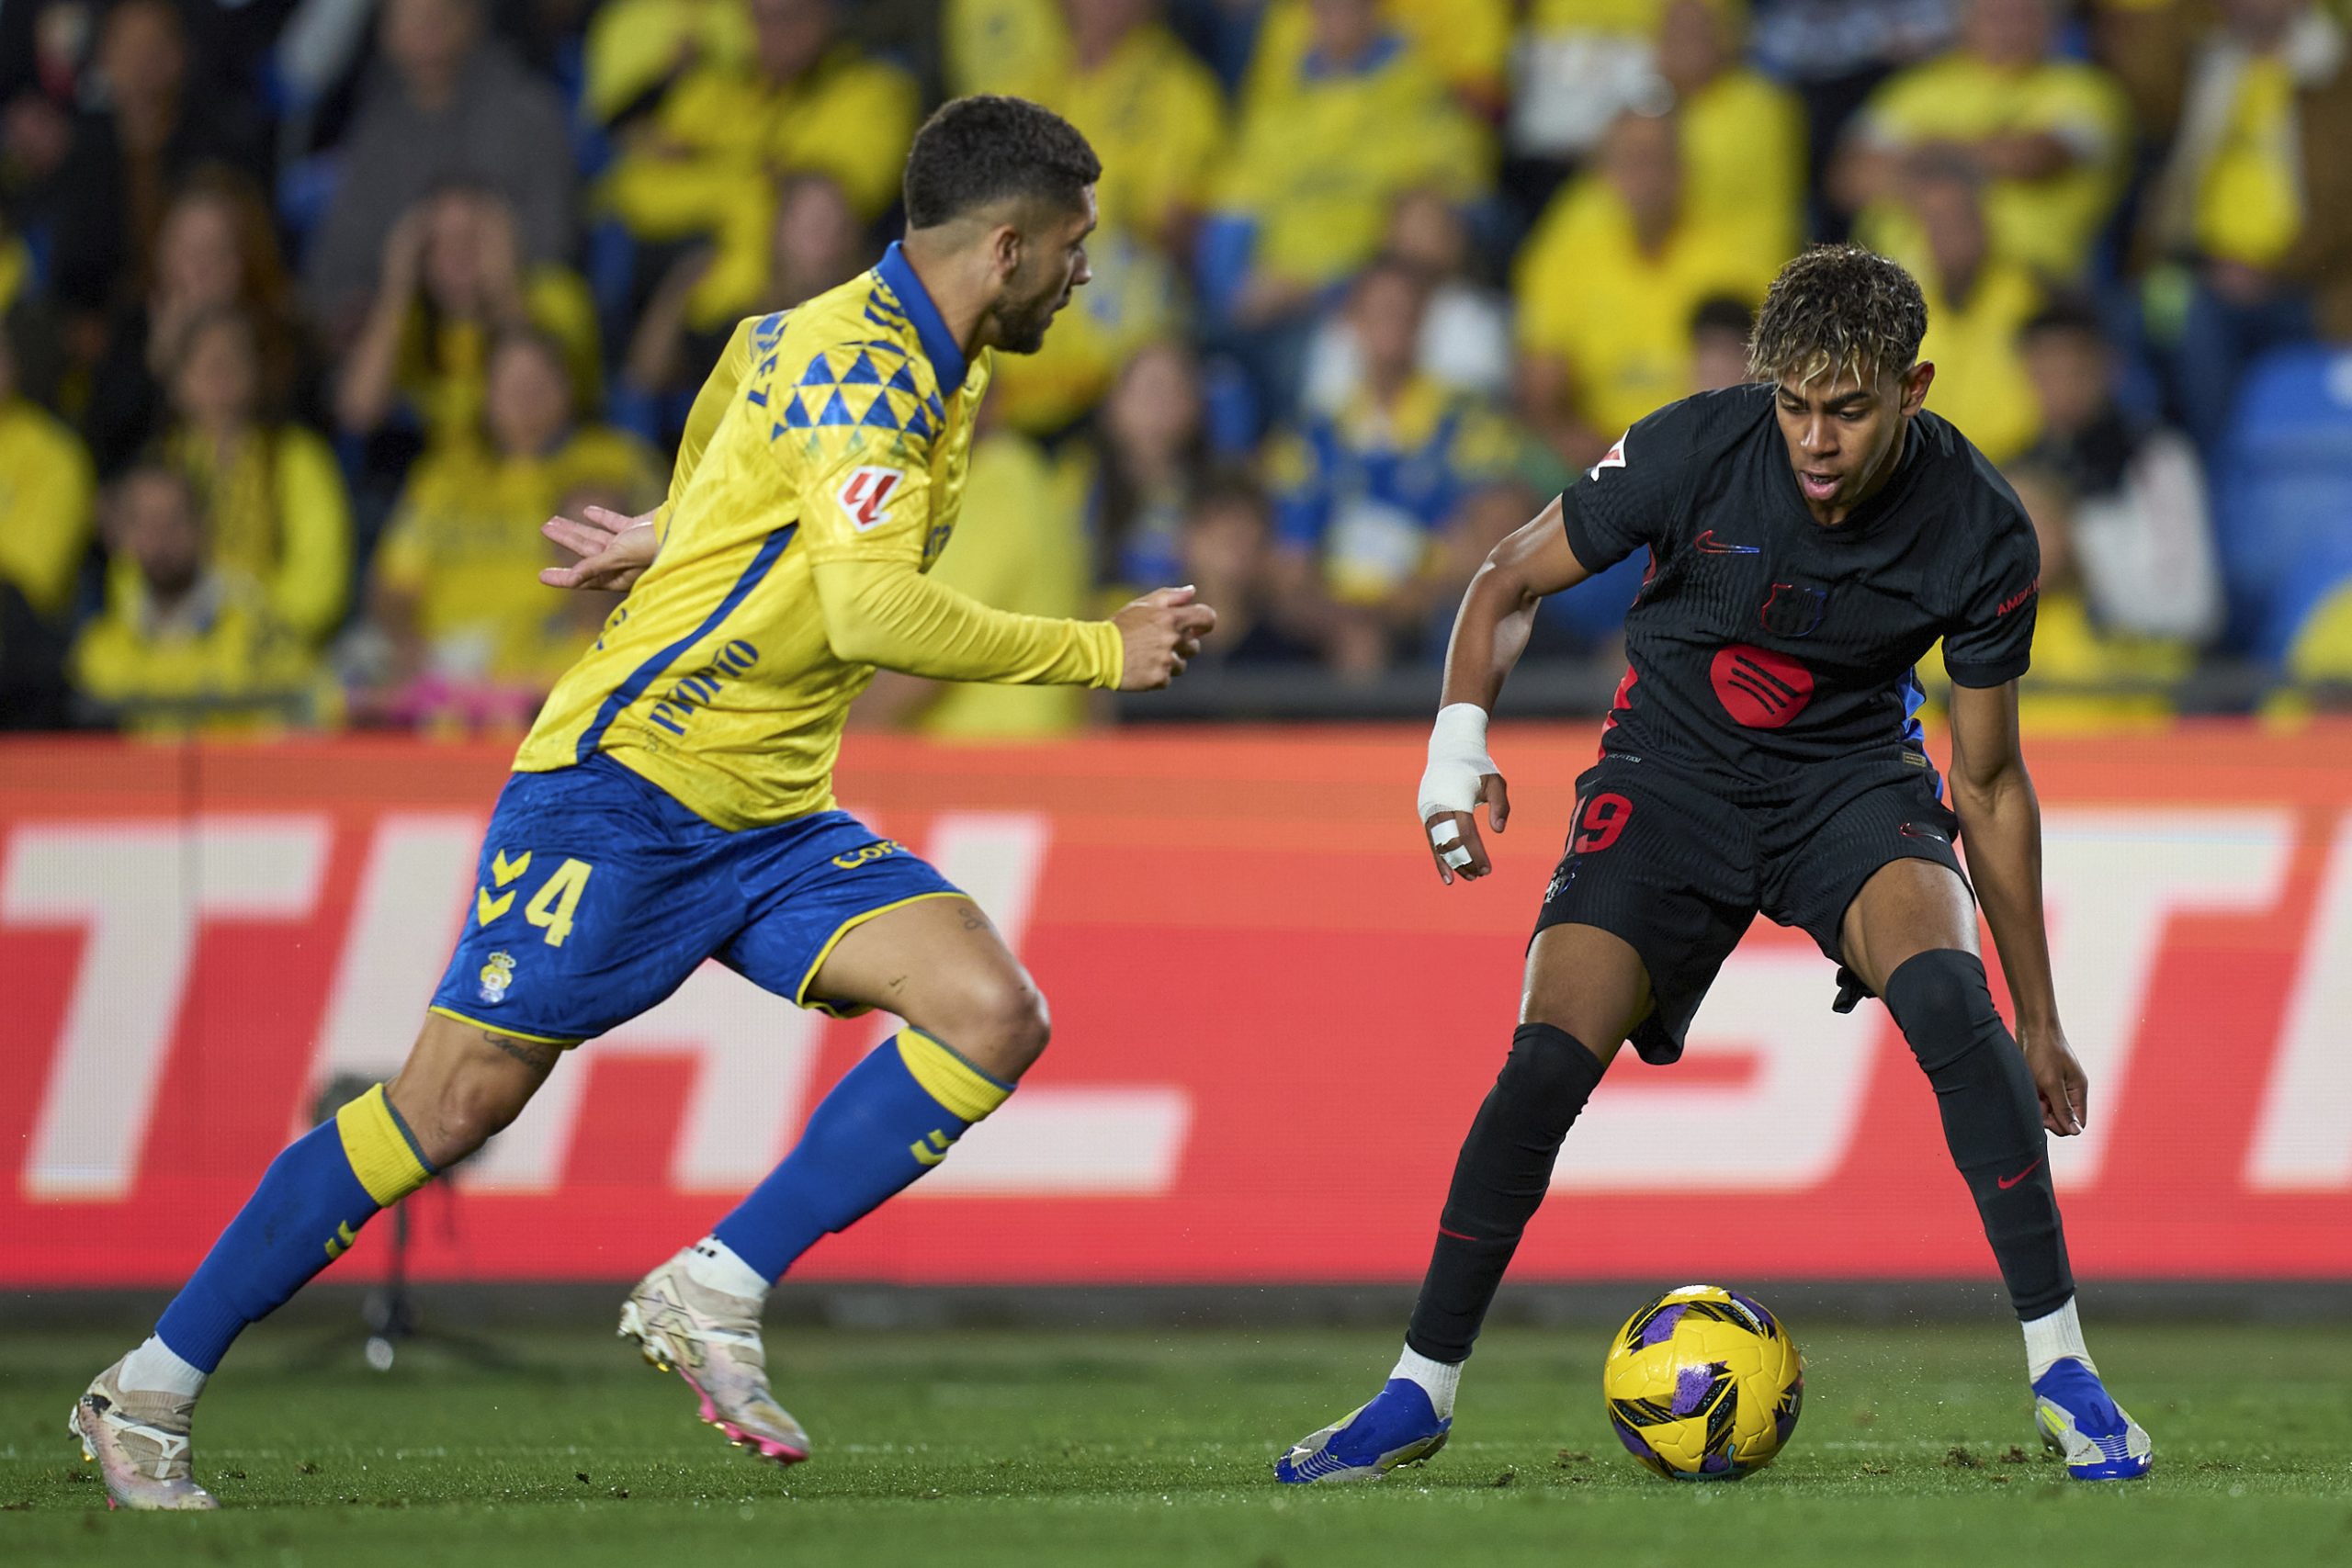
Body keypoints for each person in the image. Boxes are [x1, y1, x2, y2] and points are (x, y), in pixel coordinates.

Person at [71, 93, 1216, 1512]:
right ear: (1003, 246)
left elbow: (742, 428)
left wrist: (676, 535)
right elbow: (865, 603)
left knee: (993, 1008)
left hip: (772, 810)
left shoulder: (831, 334)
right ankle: (150, 1385)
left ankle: (714, 1283)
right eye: (1074, 244)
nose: (1085, 269)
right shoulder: (878, 375)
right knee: (446, 1102)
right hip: (622, 789)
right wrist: (1097, 649)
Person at [1274, 243, 2153, 1486]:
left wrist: (2043, 1014)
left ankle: (2066, 1368)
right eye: (1795, 405)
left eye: (1848, 408)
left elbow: (1991, 779)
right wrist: (1453, 749)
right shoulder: (1693, 445)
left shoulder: (1984, 528)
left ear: (1916, 387)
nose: (1816, 439)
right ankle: (1417, 1388)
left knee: (1959, 1005)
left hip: (1846, 783)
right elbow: (1508, 577)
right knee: (1540, 1062)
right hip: (1668, 775)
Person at [361, 329, 655, 725]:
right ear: (486, 393)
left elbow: (667, 550)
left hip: (556, 654)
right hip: (442, 657)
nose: (525, 397)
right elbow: (391, 587)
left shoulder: (613, 459)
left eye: (539, 381)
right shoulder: (443, 476)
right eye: (511, 383)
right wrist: (408, 646)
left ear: (568, 386)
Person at [301, 0, 576, 334]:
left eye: (439, 17)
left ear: (474, 20)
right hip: (406, 331)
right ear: (386, 33)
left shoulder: (530, 111)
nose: (426, 34)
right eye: (411, 20)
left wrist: (476, 267)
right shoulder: (375, 130)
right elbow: (339, 262)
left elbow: (556, 238)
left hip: (513, 316)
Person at [1832, 0, 2130, 280]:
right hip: (1897, 292)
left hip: (2032, 300)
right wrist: (1983, 158)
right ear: (1964, 21)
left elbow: (2033, 158)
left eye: (2022, 15)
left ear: (2052, 24)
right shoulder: (1913, 89)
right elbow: (1850, 178)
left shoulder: (2088, 91)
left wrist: (1923, 154)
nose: (2007, 28)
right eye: (1993, 15)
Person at [2015, 298, 2220, 646]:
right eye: (2048, 372)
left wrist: (2077, 550)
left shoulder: (2157, 459)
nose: (2063, 388)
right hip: (2034, 678)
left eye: (2076, 371)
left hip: (2135, 682)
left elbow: (2191, 609)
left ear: (2110, 368)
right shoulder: (2008, 472)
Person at [70, 460, 329, 732]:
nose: (160, 537)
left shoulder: (258, 631)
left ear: (204, 526)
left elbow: (312, 713)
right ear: (121, 533)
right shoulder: (99, 648)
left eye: (174, 520)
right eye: (144, 521)